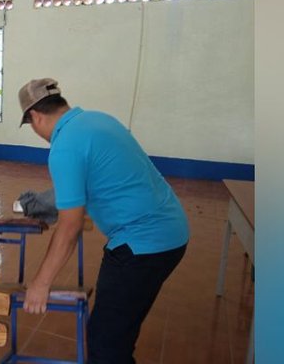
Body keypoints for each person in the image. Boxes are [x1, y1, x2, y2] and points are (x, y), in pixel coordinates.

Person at [17, 78, 190, 364]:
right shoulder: (99, 120)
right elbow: (99, 184)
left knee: (105, 346)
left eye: (32, 126)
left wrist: (40, 283)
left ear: (35, 117)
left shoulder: (64, 147)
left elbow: (70, 226)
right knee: (115, 335)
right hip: (171, 230)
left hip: (141, 244)